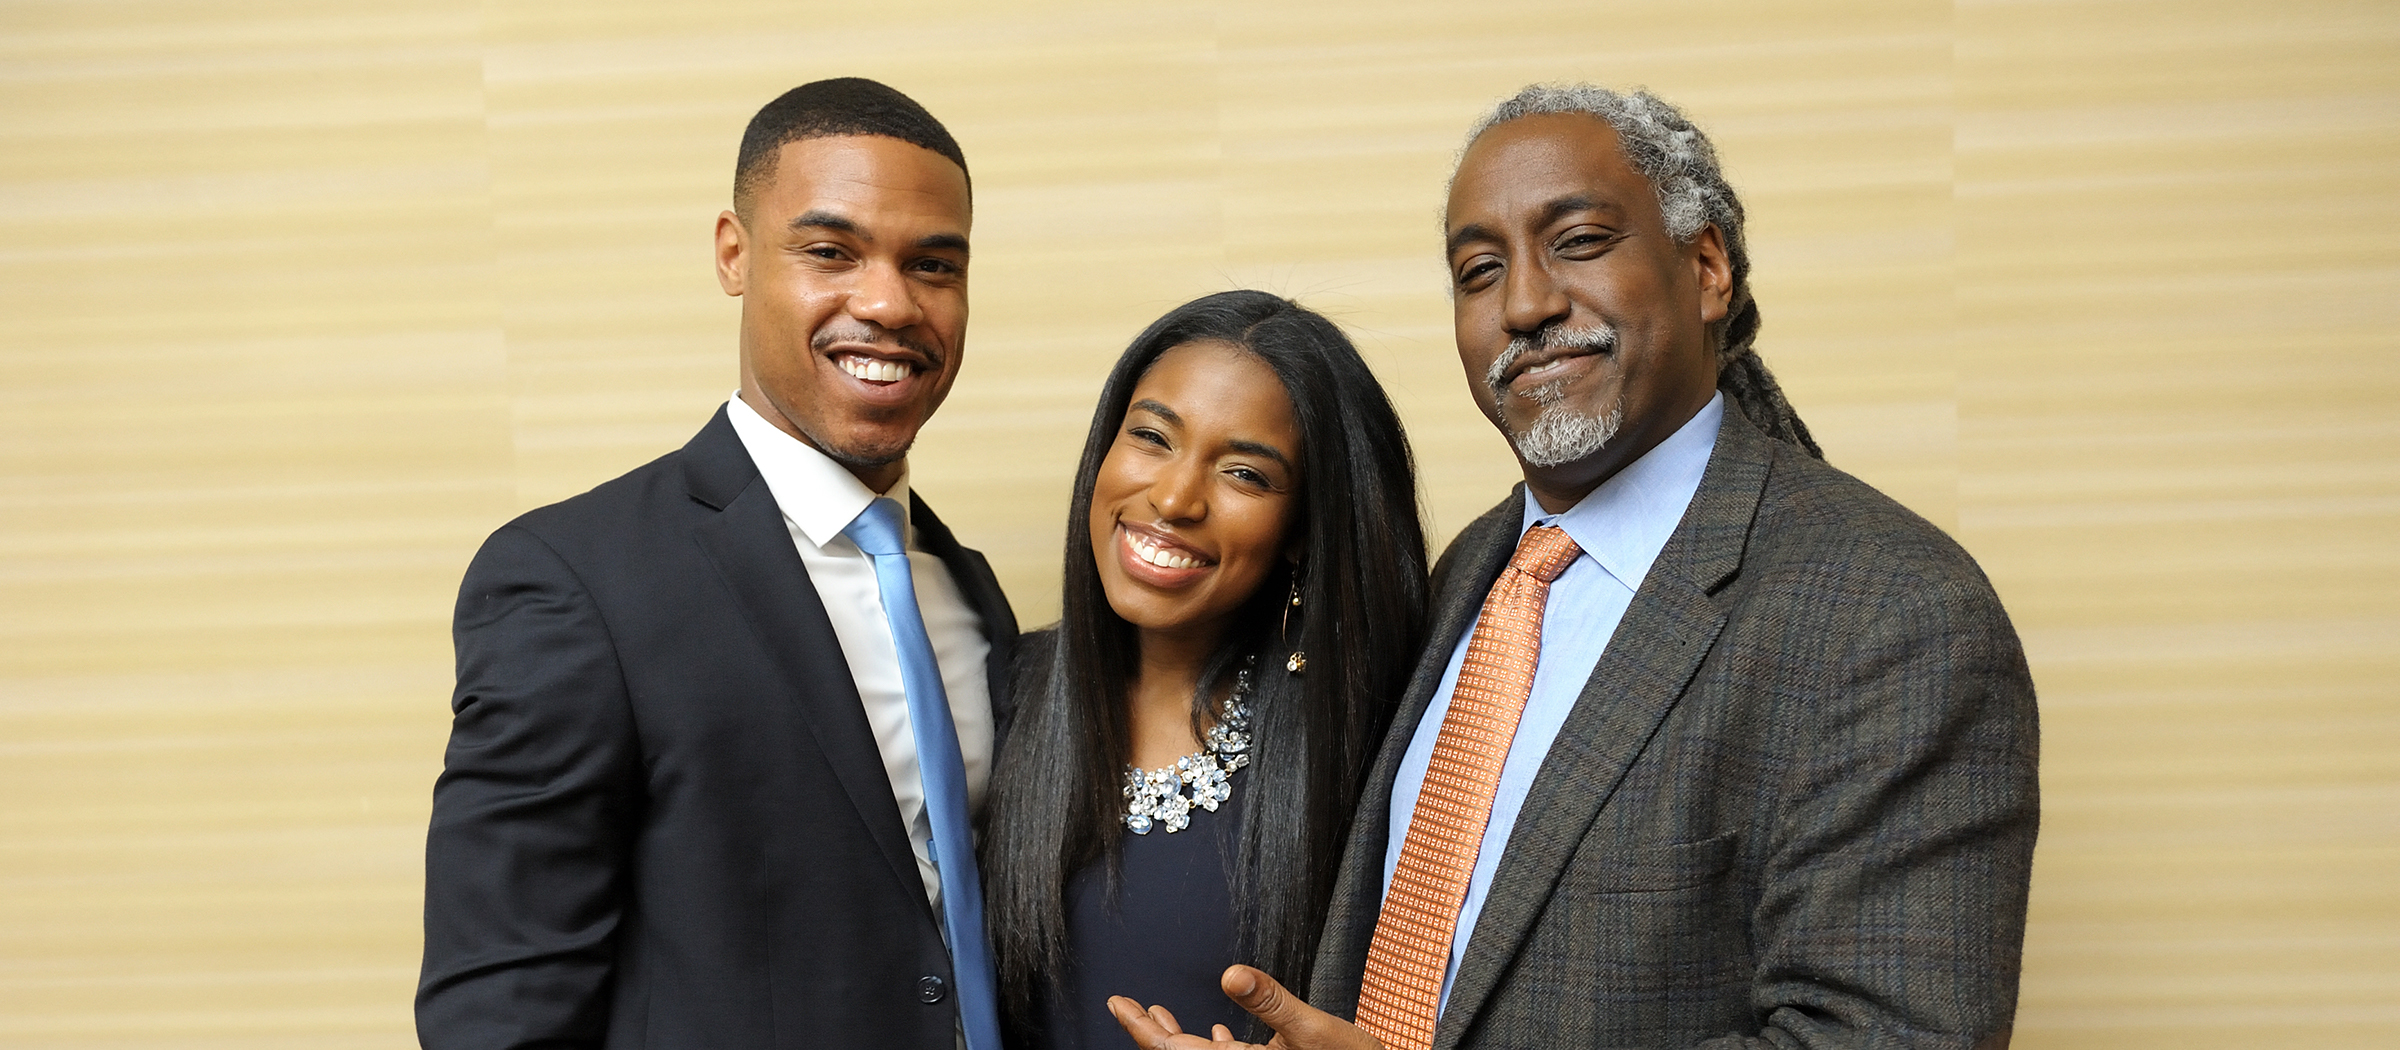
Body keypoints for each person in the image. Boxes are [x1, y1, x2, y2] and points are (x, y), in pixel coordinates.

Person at [1112, 84, 2040, 1050]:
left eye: (1581, 242)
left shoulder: (1895, 614)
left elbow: (1884, 1037)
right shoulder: (1465, 573)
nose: (1525, 303)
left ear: (1708, 267)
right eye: (1478, 270)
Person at [418, 78, 1018, 1050]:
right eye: (831, 252)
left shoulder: (969, 595)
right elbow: (499, 1015)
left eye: (934, 265)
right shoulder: (577, 582)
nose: (888, 301)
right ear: (734, 255)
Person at [982, 291, 1430, 1049]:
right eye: (1152, 437)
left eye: (1245, 475)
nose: (1173, 497)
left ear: (1302, 531)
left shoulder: (1374, 742)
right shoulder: (999, 692)